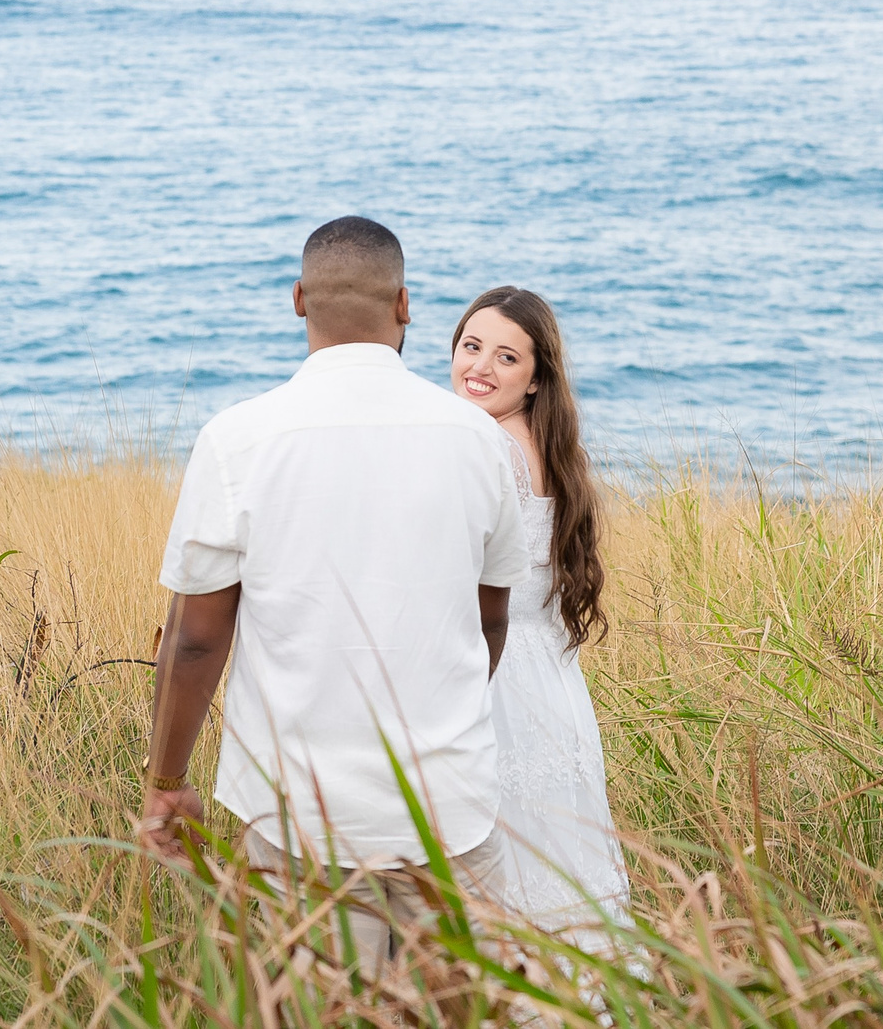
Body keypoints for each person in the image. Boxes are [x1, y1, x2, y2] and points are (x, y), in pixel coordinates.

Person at [138, 217, 530, 966]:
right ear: (405, 305)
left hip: (297, 819)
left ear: (297, 301)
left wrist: (167, 780)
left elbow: (195, 636)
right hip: (449, 810)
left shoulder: (239, 438)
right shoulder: (477, 440)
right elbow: (492, 619)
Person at [449, 286, 629, 933]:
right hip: (550, 678)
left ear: (533, 380)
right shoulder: (551, 449)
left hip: (496, 672)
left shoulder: (487, 448)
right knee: (557, 859)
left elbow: (458, 578)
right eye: (471, 347)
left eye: (506, 358)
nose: (480, 368)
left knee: (502, 865)